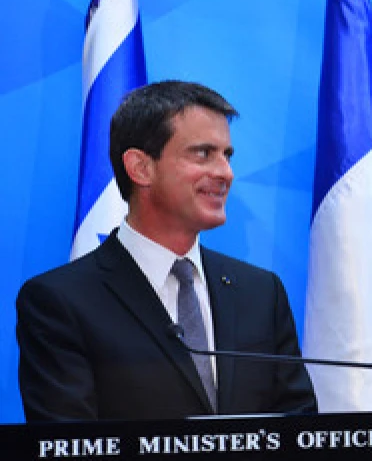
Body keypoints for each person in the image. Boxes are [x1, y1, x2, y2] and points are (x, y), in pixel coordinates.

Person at [17, 80, 317, 421]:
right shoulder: (61, 302)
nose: (225, 173)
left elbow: (299, 429)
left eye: (227, 155)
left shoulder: (261, 293)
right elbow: (68, 442)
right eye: (203, 153)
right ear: (140, 168)